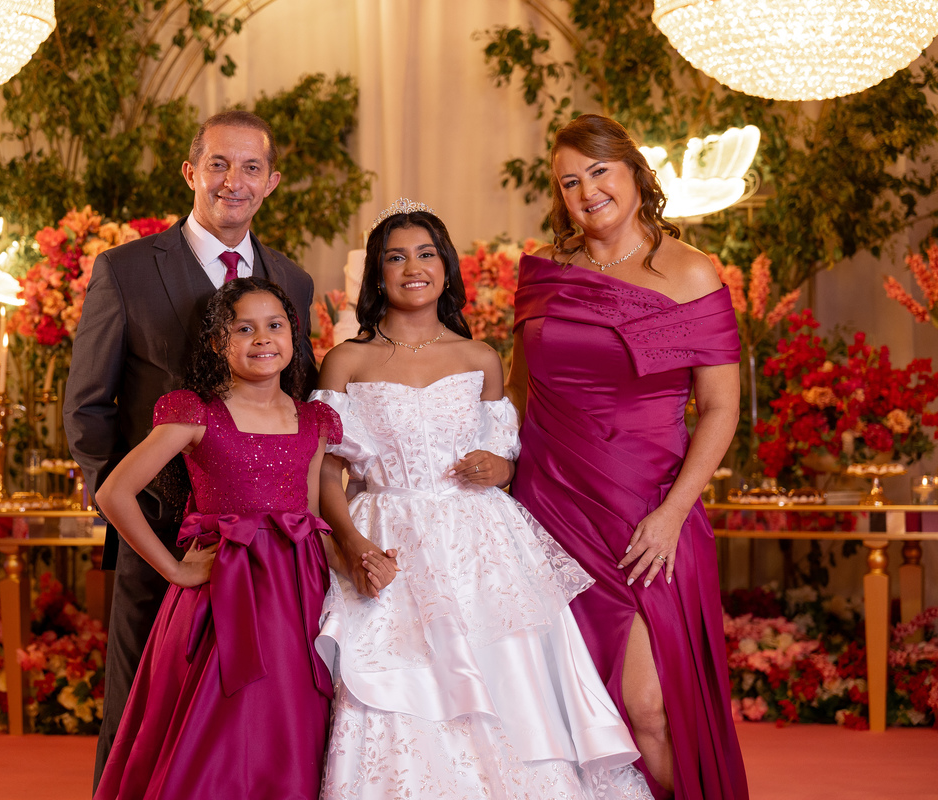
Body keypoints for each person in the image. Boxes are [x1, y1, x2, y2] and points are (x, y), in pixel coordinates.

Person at [312, 199, 654, 799]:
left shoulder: (480, 359)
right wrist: (354, 543)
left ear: (446, 267)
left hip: (481, 548)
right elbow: (324, 473)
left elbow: (504, 456)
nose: (412, 267)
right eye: (395, 257)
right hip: (388, 539)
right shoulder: (347, 360)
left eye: (426, 254)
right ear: (377, 274)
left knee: (505, 679)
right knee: (402, 684)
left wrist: (500, 467)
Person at [62, 110, 315, 790]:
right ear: (191, 172)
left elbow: (297, 397)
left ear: (271, 182)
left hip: (267, 550)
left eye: (252, 167)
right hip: (161, 530)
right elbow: (86, 407)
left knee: (257, 716)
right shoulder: (125, 271)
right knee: (141, 706)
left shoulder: (292, 281)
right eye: (219, 165)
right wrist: (134, 509)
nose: (234, 181)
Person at [506, 114, 748, 800]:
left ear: (636, 174)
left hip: (648, 513)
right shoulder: (544, 274)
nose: (587, 192)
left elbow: (720, 408)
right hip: (547, 510)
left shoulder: (690, 272)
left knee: (648, 707)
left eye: (599, 172)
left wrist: (672, 515)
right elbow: (518, 390)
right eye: (569, 182)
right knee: (572, 711)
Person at [92, 279, 339, 800]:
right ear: (216, 342)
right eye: (243, 329)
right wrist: (175, 569)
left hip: (298, 596)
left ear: (293, 336)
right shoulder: (196, 412)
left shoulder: (313, 420)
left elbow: (314, 516)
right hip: (222, 593)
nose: (262, 338)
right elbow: (114, 493)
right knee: (219, 728)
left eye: (274, 325)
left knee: (291, 721)